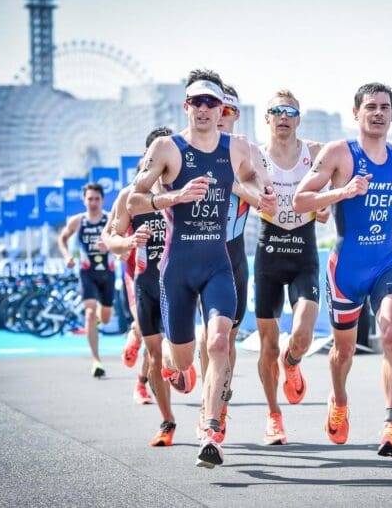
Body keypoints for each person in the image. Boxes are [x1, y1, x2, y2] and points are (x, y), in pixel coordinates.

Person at [127, 69, 275, 468]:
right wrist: (172, 198)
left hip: (217, 264)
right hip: (176, 269)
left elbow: (256, 182)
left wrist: (265, 194)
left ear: (222, 108)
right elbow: (132, 203)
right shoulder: (166, 148)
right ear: (186, 106)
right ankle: (182, 373)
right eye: (198, 102)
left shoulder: (238, 147)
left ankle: (211, 431)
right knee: (182, 361)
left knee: (220, 341)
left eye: (214, 103)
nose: (206, 109)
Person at [293, 83, 392, 459]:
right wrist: (343, 192)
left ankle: (391, 425)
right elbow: (300, 199)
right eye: (370, 107)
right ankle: (338, 399)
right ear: (356, 113)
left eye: (385, 107)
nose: (378, 113)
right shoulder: (339, 153)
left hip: (386, 262)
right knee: (343, 352)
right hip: (346, 270)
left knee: (391, 334)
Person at [255, 89, 329, 445]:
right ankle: (274, 416)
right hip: (268, 251)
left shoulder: (315, 152)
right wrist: (254, 197)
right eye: (276, 111)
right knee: (267, 346)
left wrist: (327, 204)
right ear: (267, 118)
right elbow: (236, 187)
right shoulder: (254, 155)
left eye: (290, 112)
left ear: (298, 119)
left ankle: (294, 362)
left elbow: (336, 183)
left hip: (303, 251)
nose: (283, 117)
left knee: (302, 333)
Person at [103, 126, 178, 447]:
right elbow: (109, 238)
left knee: (180, 356)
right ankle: (167, 420)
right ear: (148, 158)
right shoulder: (130, 196)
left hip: (180, 283)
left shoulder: (185, 188)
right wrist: (128, 241)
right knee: (155, 351)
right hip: (145, 281)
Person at [193, 84, 259, 444]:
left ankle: (217, 407)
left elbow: (266, 200)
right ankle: (209, 411)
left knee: (224, 340)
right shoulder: (185, 148)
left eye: (228, 111)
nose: (220, 116)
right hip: (195, 255)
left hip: (232, 256)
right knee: (205, 338)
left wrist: (234, 184)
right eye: (212, 107)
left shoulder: (245, 152)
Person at [58, 182, 115, 378]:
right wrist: (66, 256)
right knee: (90, 313)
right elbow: (62, 239)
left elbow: (122, 241)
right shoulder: (77, 221)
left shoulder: (110, 219)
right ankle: (96, 360)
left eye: (96, 199)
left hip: (107, 274)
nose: (93, 203)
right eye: (89, 199)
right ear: (84, 200)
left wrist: (111, 247)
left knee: (105, 318)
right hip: (87, 273)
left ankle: (99, 317)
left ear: (103, 200)